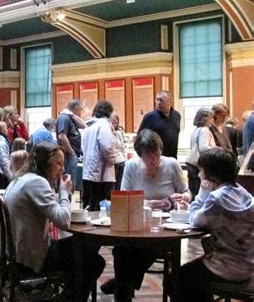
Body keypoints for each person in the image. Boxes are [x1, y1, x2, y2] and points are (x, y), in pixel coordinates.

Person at [4, 142, 105, 300]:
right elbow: (64, 221)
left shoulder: (21, 179)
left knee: (88, 248)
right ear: (45, 162)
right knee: (94, 261)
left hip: (17, 254)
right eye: (59, 163)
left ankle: (67, 296)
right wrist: (65, 191)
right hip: (33, 257)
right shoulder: (37, 182)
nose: (62, 169)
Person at [101, 129, 191, 301]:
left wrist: (180, 198)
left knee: (142, 249)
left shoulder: (171, 165)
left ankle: (120, 283)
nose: (154, 159)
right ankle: (122, 284)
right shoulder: (132, 166)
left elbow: (187, 192)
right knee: (122, 249)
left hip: (165, 225)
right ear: (140, 155)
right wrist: (148, 203)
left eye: (156, 154)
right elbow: (123, 196)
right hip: (138, 222)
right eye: (148, 156)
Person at [175, 147, 253, 301]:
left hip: (226, 267)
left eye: (201, 171)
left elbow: (194, 220)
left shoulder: (216, 199)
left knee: (177, 279)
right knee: (192, 279)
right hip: (247, 264)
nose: (198, 174)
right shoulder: (243, 192)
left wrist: (202, 195)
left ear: (210, 176)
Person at [82, 100, 118, 211]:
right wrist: (115, 159)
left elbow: (83, 147)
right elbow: (106, 146)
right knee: (101, 208)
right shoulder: (104, 125)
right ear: (109, 112)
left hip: (88, 173)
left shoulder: (89, 126)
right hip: (102, 175)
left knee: (90, 206)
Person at [138, 90, 181, 159]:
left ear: (170, 101)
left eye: (161, 100)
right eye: (157, 100)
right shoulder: (149, 117)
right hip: (155, 159)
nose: (158, 103)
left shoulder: (176, 115)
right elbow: (140, 138)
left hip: (172, 157)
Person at [185, 107, 216, 199]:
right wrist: (216, 148)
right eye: (211, 118)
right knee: (199, 191)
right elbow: (203, 148)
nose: (212, 120)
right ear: (205, 118)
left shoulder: (195, 130)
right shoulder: (204, 130)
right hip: (198, 164)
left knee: (192, 190)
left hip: (191, 163)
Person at [55, 99, 86, 186]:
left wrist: (72, 115)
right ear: (76, 107)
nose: (80, 112)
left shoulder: (70, 117)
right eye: (80, 109)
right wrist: (72, 153)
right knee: (67, 181)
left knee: (71, 182)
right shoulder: (64, 118)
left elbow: (83, 126)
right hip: (68, 156)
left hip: (71, 155)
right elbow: (62, 137)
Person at [110, 113, 126, 190]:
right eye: (112, 122)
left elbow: (122, 148)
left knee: (119, 184)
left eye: (115, 123)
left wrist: (125, 159)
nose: (113, 125)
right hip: (112, 162)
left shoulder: (119, 133)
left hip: (120, 161)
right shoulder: (106, 133)